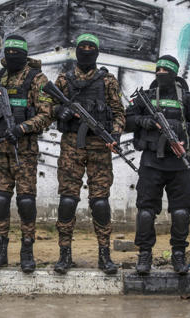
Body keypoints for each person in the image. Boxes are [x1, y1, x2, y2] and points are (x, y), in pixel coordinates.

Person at [125, 55, 190, 275]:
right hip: (151, 162)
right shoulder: (147, 97)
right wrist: (145, 122)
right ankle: (144, 254)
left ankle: (178, 254)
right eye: (158, 69)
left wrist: (188, 140)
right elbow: (126, 120)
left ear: (174, 74)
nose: (161, 73)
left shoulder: (187, 99)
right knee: (145, 212)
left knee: (181, 212)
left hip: (179, 164)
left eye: (166, 70)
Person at [51, 33, 125, 275]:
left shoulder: (108, 81)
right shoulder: (64, 79)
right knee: (68, 200)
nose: (85, 51)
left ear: (97, 52)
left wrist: (115, 135)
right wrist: (59, 111)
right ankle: (64, 255)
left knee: (100, 202)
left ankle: (105, 255)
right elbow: (45, 106)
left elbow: (118, 112)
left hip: (100, 148)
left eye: (90, 47)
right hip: (72, 145)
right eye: (81, 47)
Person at [0, 35, 53, 273]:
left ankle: (27, 249)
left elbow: (46, 115)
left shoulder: (37, 78)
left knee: (25, 201)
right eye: (8, 53)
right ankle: (0, 250)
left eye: (16, 53)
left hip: (25, 151)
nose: (11, 57)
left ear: (25, 55)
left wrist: (21, 129)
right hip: (0, 149)